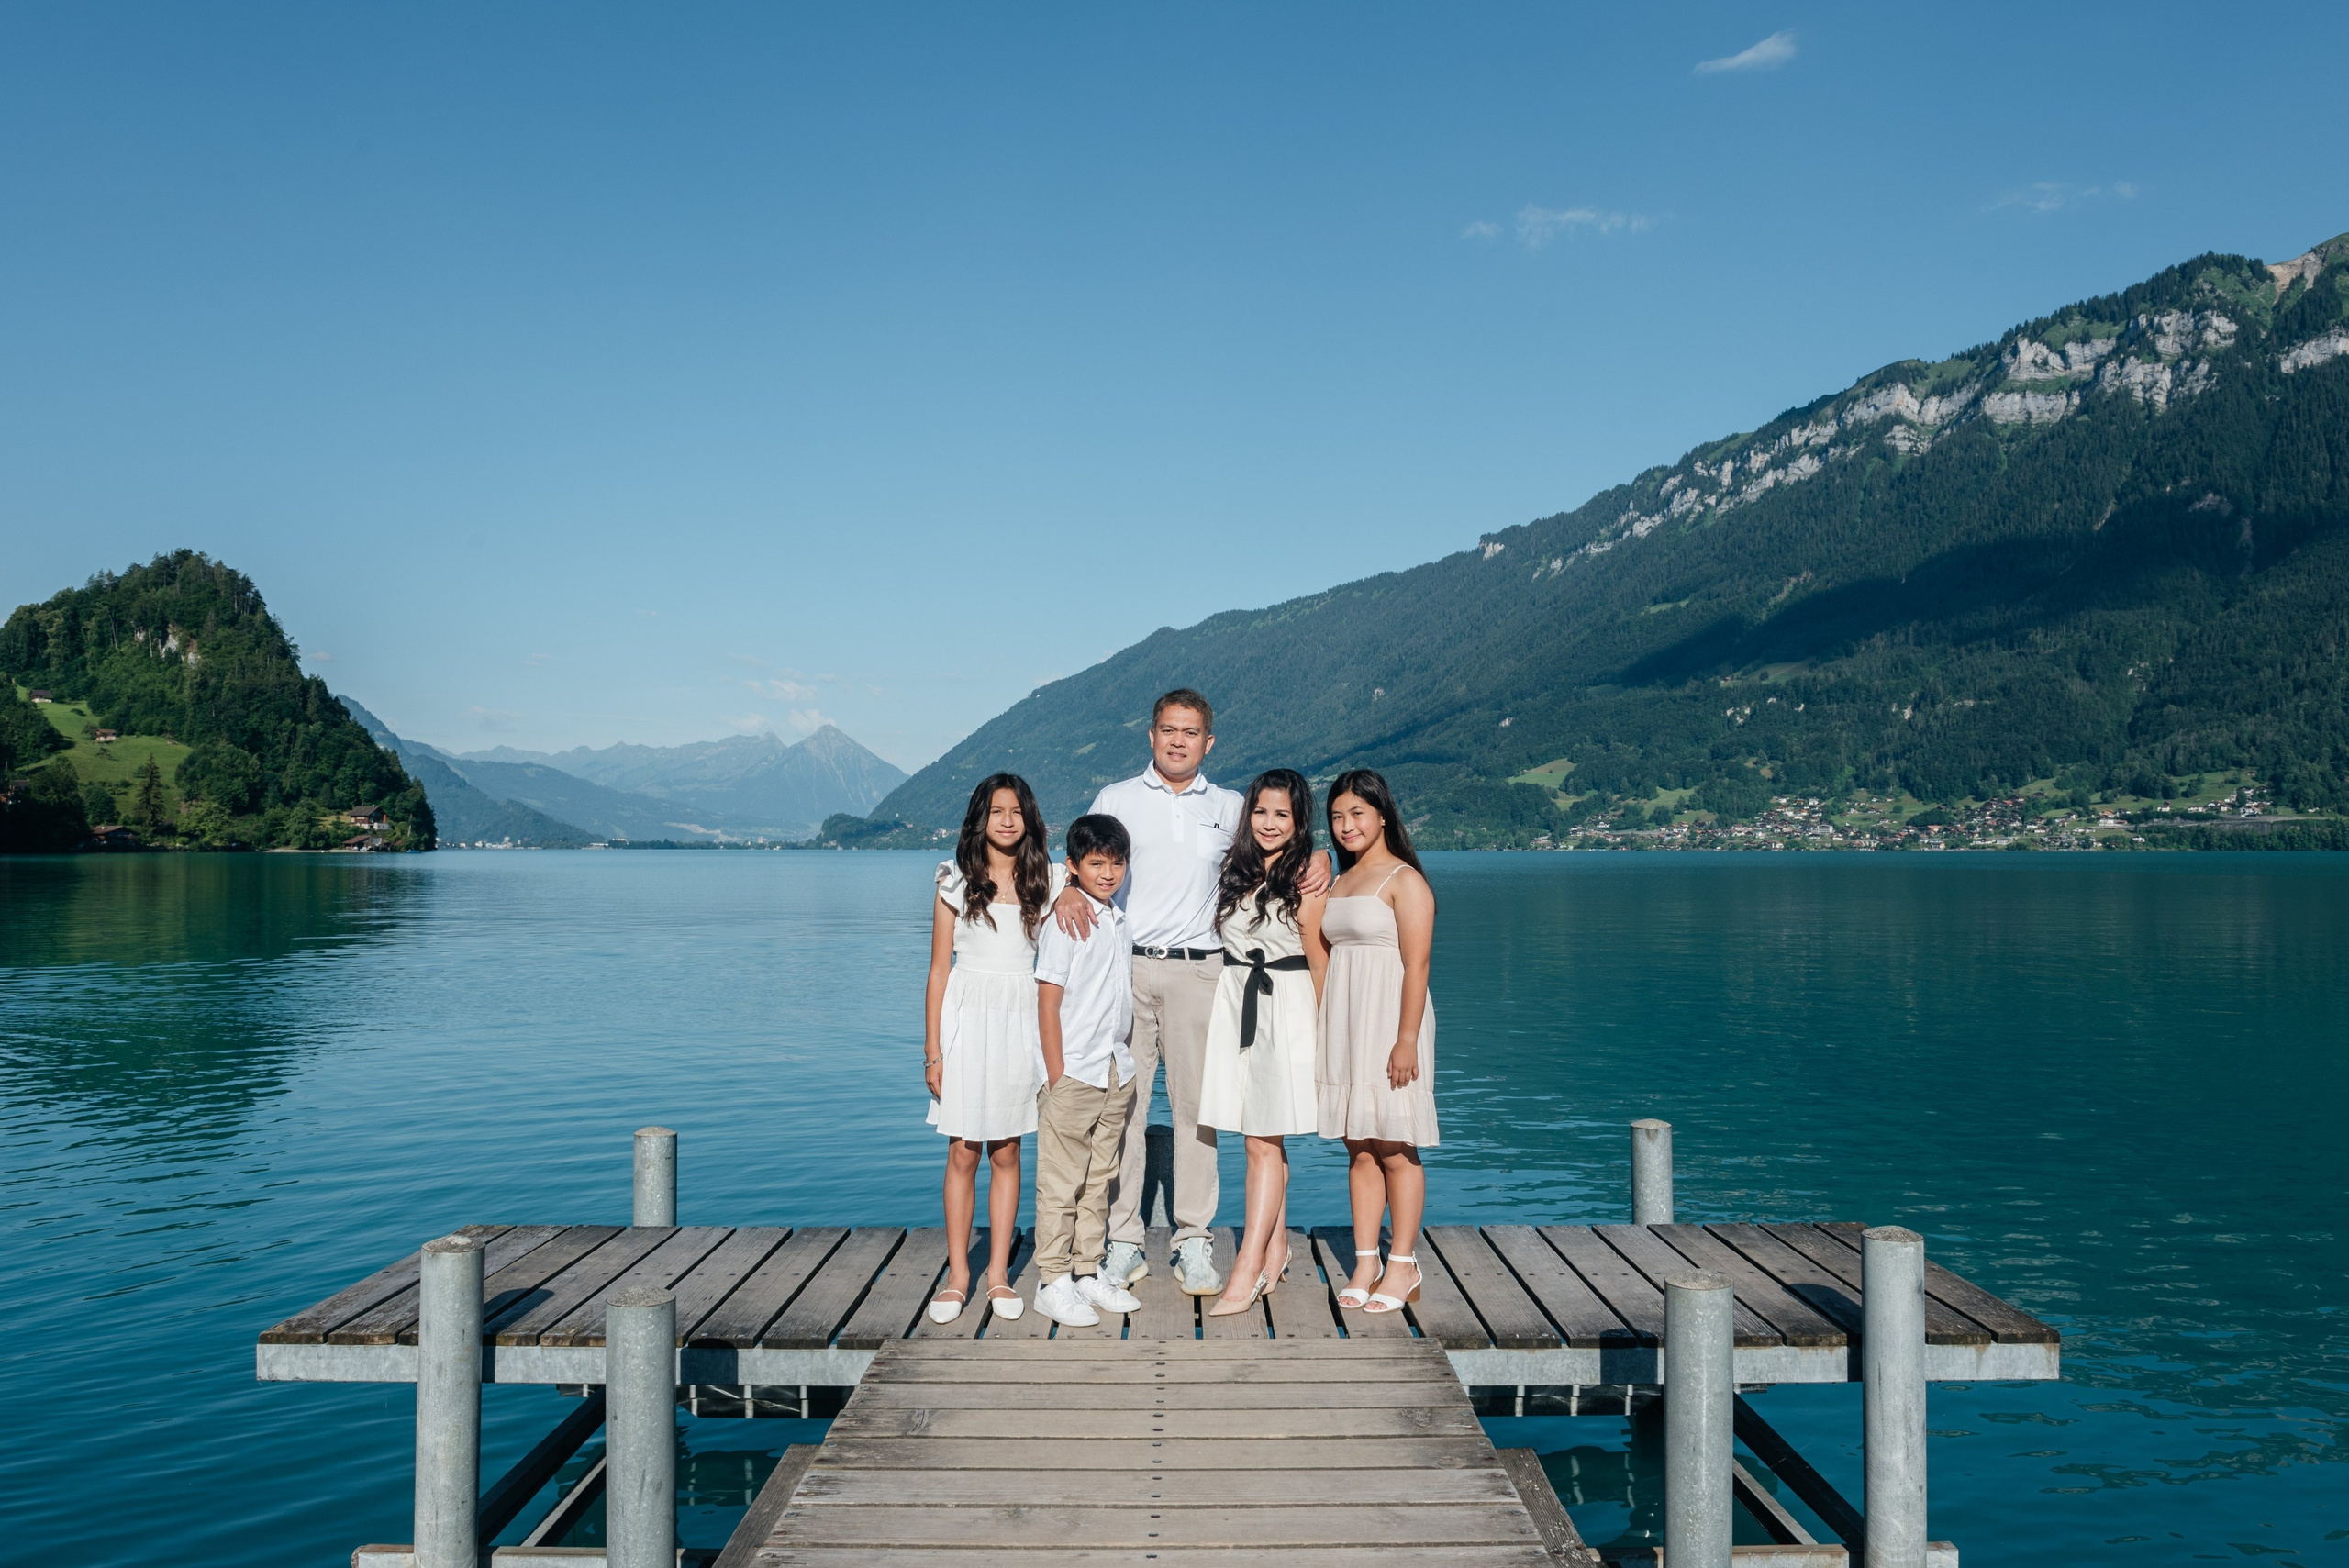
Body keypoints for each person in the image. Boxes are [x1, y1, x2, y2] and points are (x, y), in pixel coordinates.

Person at [1051, 688, 1330, 1296]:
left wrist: (1323, 858)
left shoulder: (1231, 806)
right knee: (1119, 1107)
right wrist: (1065, 888)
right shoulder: (1116, 798)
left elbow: (1281, 850)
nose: (1178, 740)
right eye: (1168, 729)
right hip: (1122, 969)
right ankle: (1121, 1241)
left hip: (1203, 973)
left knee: (1199, 1112)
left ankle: (1194, 1240)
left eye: (1191, 731)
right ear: (1150, 735)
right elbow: (1077, 855)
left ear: (1209, 741)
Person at [919, 773, 1062, 1326]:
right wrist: (932, 1050)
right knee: (963, 1151)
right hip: (966, 1019)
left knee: (1006, 1150)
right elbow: (937, 970)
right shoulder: (954, 881)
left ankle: (998, 1274)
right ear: (979, 818)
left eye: (1016, 812)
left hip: (1020, 1018)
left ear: (1029, 820)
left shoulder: (1045, 881)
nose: (1006, 821)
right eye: (995, 811)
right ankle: (959, 1277)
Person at [1197, 769, 1328, 1318]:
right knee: (1262, 1138)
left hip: (1289, 1008)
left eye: (1282, 814)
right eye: (1261, 812)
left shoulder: (1310, 875)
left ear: (1299, 821)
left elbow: (1320, 960)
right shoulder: (1236, 868)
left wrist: (1328, 1033)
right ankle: (1277, 1247)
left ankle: (1249, 1265)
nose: (1270, 823)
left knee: (1260, 1141)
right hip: (1238, 1004)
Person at [1317, 767, 1439, 1316]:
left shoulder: (1404, 881)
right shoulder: (1341, 880)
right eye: (1338, 817)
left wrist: (1406, 1038)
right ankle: (1366, 1260)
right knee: (1359, 1144)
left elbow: (1418, 965)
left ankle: (1404, 1263)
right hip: (1346, 1020)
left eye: (1357, 814)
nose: (1347, 825)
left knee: (1395, 1144)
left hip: (1392, 1020)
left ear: (1382, 815)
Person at [1029, 814, 1146, 1328]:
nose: (1108, 873)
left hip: (1116, 1067)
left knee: (1100, 1178)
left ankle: (1086, 1270)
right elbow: (1048, 1002)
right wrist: (1056, 1076)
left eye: (1116, 863)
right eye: (1096, 864)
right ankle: (1051, 1279)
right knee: (1061, 1182)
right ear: (1071, 867)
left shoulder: (1118, 918)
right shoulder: (1064, 920)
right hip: (1074, 1071)